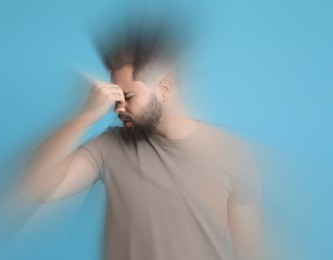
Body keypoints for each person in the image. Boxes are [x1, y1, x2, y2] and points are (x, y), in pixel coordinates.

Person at [19, 23, 266, 260]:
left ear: (164, 89)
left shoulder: (232, 153)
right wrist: (85, 116)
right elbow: (36, 188)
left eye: (127, 96)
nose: (118, 108)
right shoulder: (109, 147)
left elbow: (251, 252)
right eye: (115, 97)